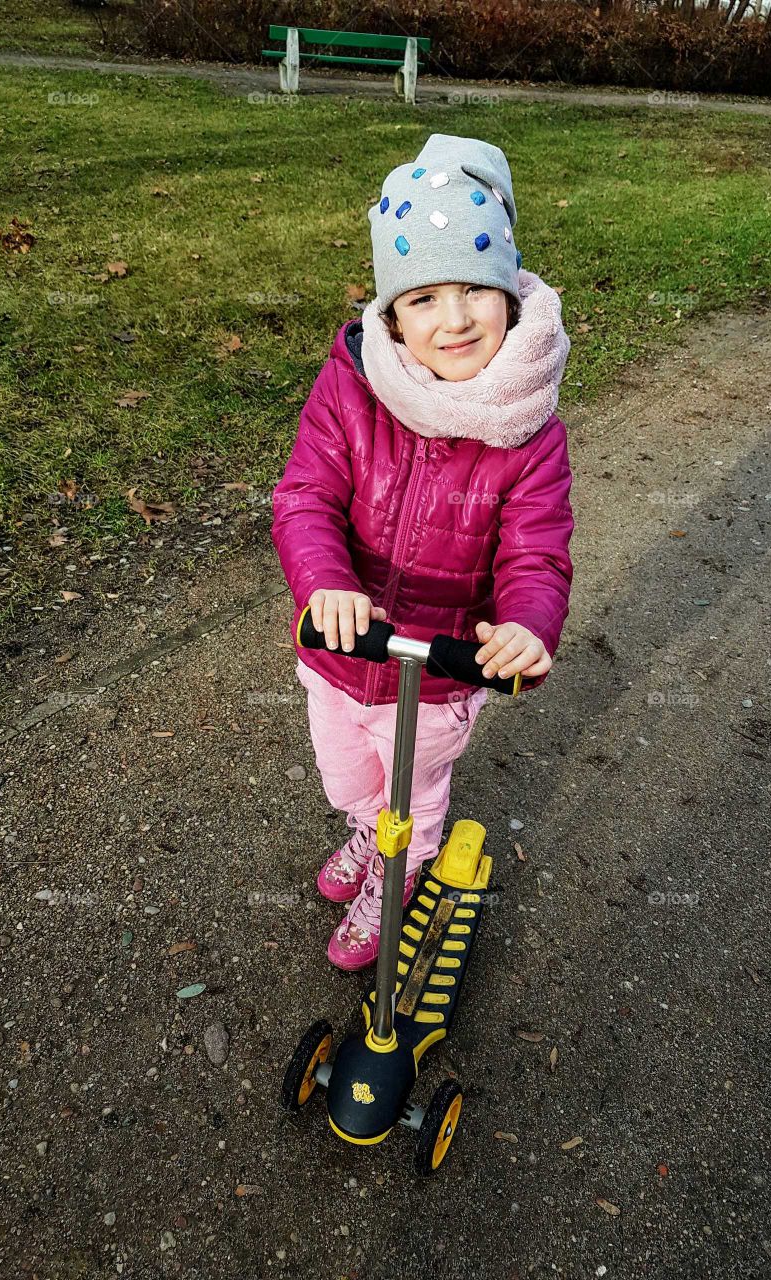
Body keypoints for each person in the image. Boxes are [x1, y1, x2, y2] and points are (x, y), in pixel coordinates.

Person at [271, 133, 575, 971]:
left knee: (415, 792)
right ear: (393, 315)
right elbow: (305, 496)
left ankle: (397, 871)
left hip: (437, 670)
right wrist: (324, 579)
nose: (454, 319)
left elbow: (536, 550)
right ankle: (369, 835)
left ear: (510, 294)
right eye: (425, 297)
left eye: (476, 290)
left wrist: (526, 625)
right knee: (348, 779)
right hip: (344, 648)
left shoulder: (526, 429)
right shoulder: (353, 388)